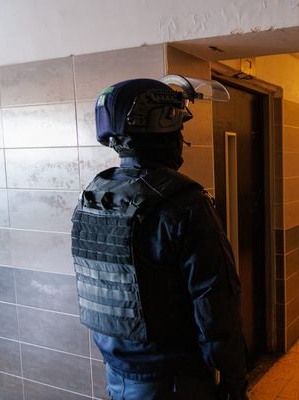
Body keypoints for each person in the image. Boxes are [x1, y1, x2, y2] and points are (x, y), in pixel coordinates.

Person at [71, 75, 248, 399]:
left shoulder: (94, 196)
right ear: (164, 130)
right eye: (179, 129)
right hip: (176, 383)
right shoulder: (184, 203)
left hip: (117, 378)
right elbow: (215, 305)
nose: (182, 139)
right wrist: (235, 381)